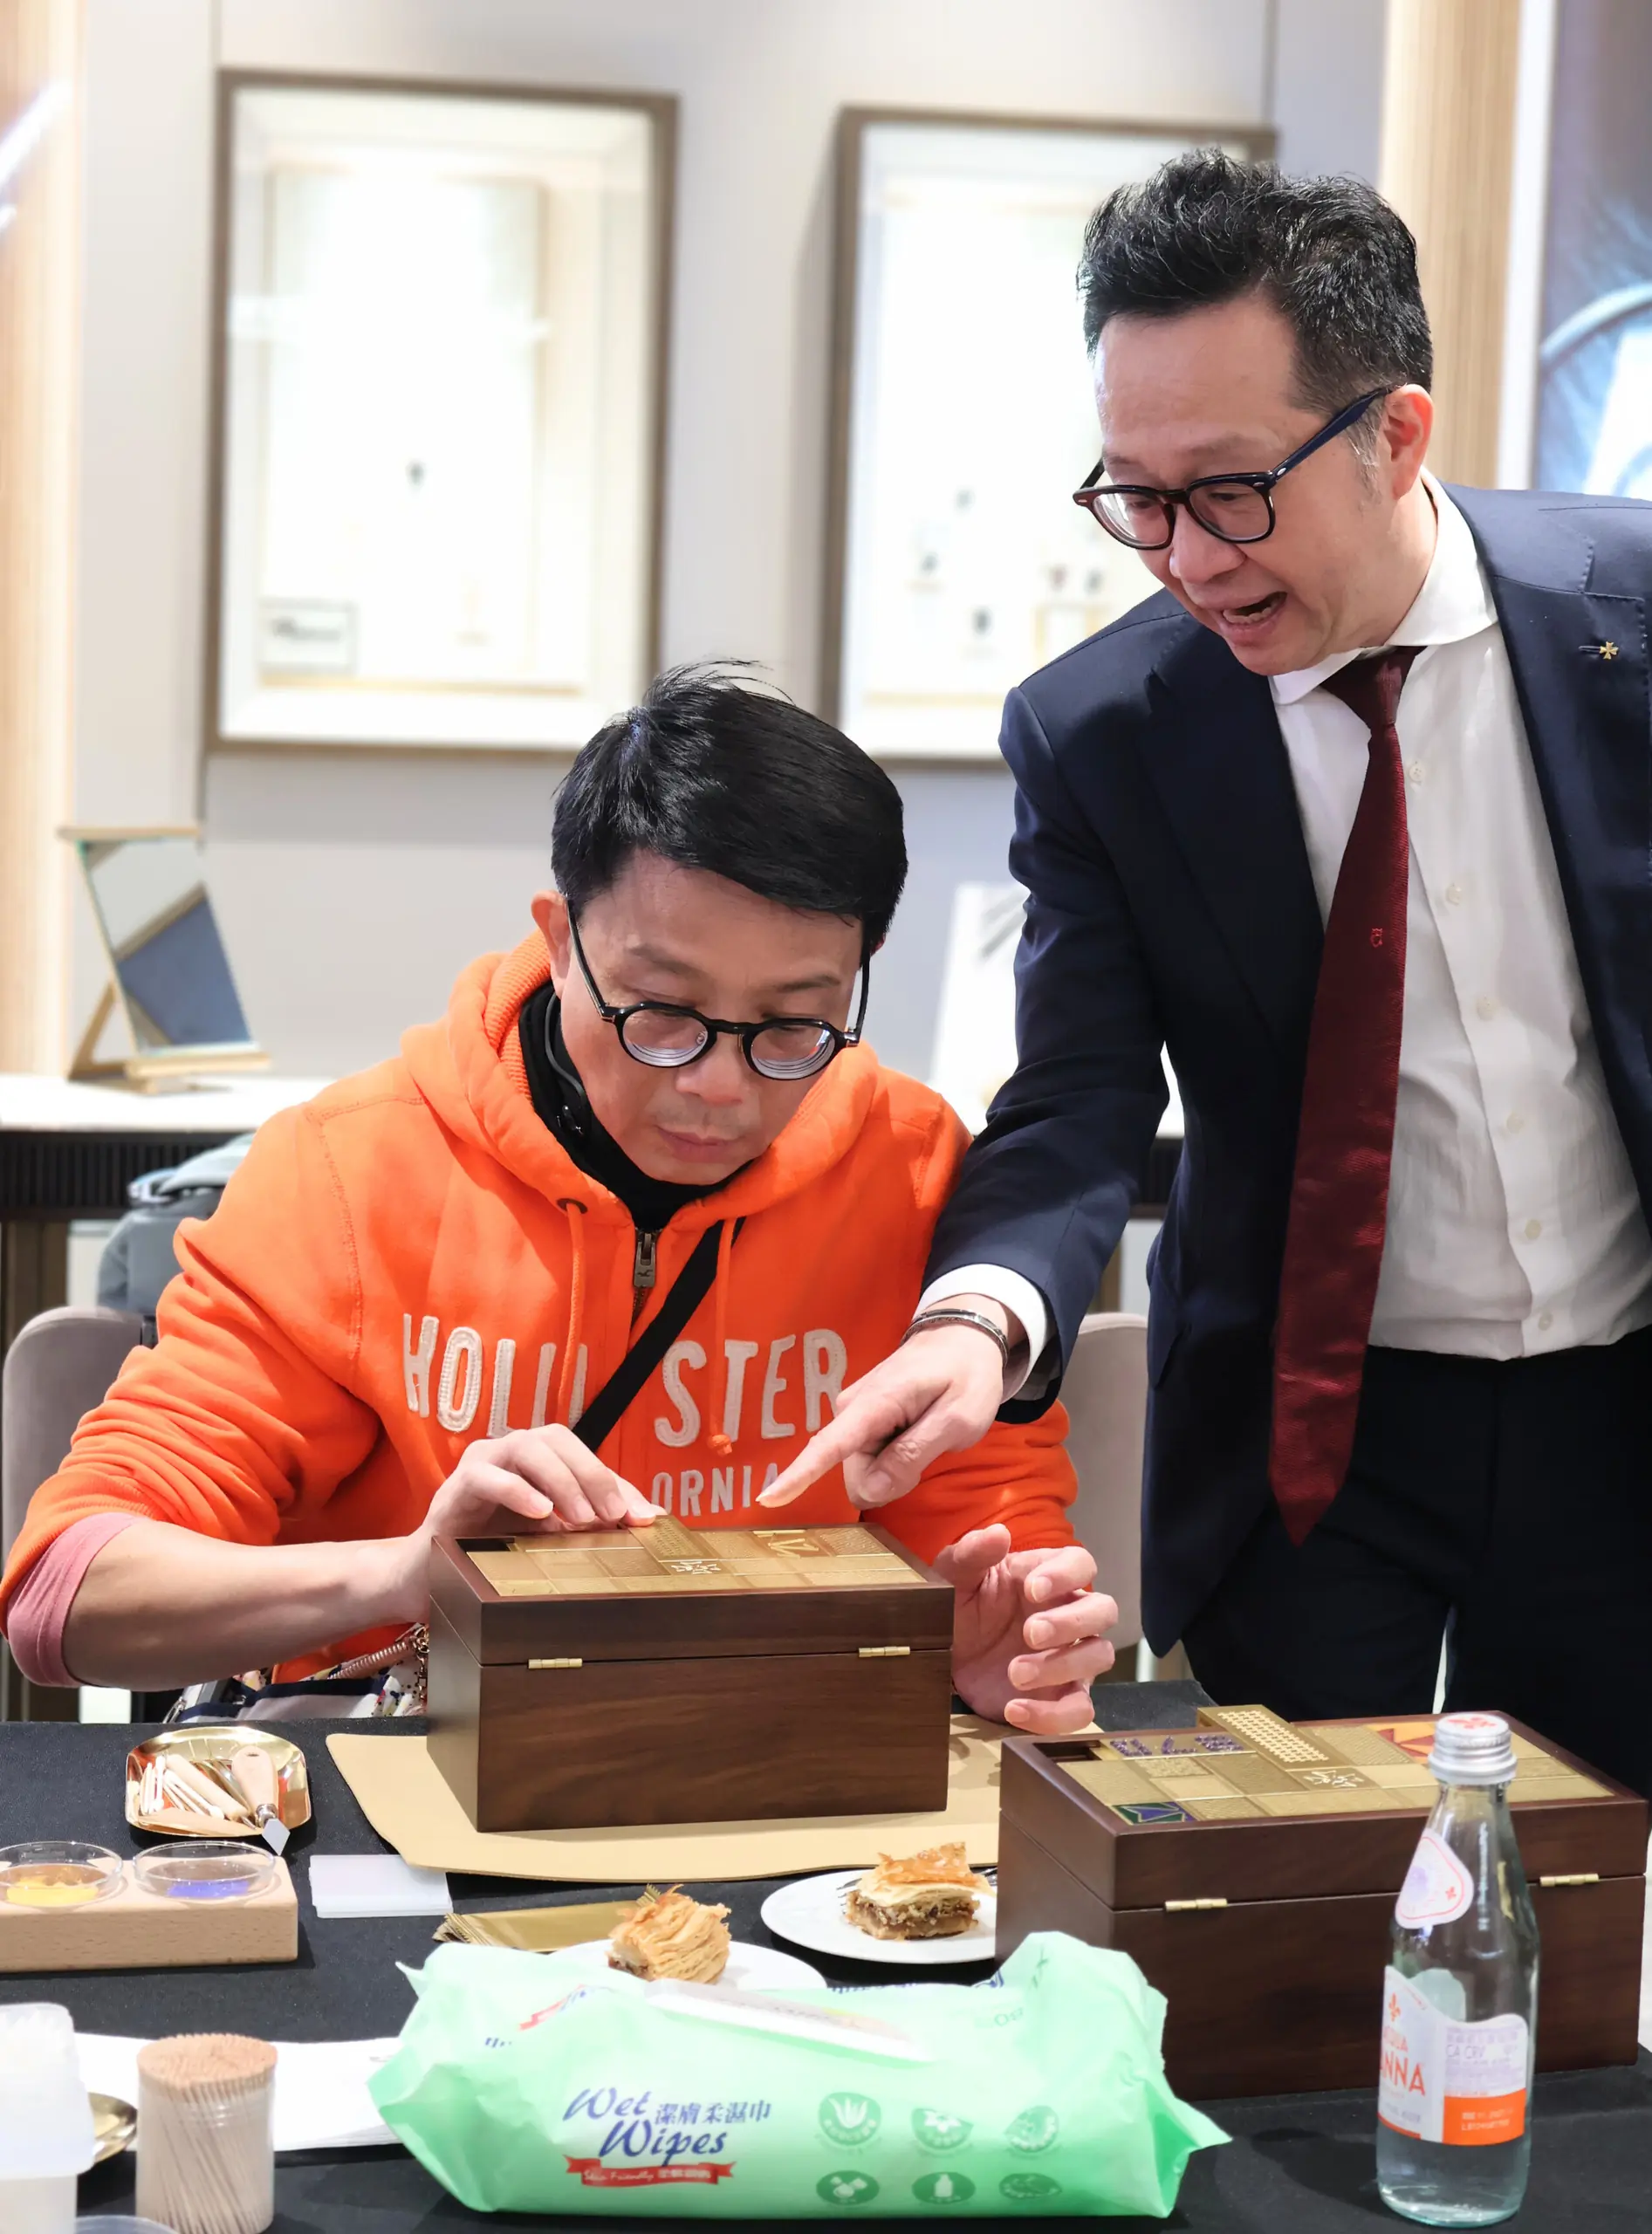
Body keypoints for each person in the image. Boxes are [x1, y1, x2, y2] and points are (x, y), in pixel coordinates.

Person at [764, 151, 1652, 1796]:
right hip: (1309, 1432)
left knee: (1590, 1892)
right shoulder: (1100, 732)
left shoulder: (1629, 615)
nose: (1183, 557)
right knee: (1286, 1887)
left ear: (1395, 434)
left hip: (1622, 1403)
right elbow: (1077, 1097)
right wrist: (976, 1324)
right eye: (1135, 498)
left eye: (1230, 490)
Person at [0, 671, 1116, 1731]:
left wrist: (997, 1658)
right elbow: (64, 1597)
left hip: (770, 1784)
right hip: (400, 1786)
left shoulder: (916, 1176)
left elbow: (991, 1556)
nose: (717, 1085)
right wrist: (407, 1571)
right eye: (661, 1010)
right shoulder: (349, 1173)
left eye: (792, 1025)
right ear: (559, 938)